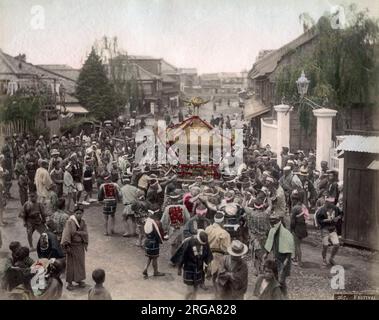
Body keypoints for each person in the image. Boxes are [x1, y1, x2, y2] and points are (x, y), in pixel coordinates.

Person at [171, 230, 213, 300]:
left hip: (199, 268)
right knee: (190, 290)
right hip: (189, 269)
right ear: (197, 238)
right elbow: (182, 255)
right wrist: (179, 267)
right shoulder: (188, 242)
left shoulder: (205, 242)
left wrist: (209, 266)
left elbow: (208, 255)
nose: (202, 244)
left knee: (196, 290)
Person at [263, 212, 295, 297]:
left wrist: (287, 260)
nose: (272, 223)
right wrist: (266, 253)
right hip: (276, 259)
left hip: (284, 259)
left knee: (281, 280)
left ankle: (284, 295)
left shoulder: (286, 234)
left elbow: (289, 249)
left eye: (273, 221)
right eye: (271, 221)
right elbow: (270, 242)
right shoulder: (272, 230)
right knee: (275, 277)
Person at [61, 206, 89, 291]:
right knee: (71, 264)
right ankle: (69, 283)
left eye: (80, 213)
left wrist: (84, 242)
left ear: (83, 214)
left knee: (80, 263)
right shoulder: (69, 222)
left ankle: (79, 279)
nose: (78, 215)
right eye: (77, 213)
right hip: (72, 246)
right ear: (74, 213)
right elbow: (66, 234)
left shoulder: (83, 222)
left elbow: (86, 233)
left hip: (80, 246)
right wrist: (67, 245)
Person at [205, 212, 231, 287]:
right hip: (218, 255)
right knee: (219, 274)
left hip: (207, 254)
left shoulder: (207, 229)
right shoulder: (225, 233)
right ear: (223, 221)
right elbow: (227, 249)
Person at [315, 197, 342, 266]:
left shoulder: (335, 208)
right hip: (324, 229)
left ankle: (331, 258)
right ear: (326, 202)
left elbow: (341, 214)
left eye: (333, 203)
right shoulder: (321, 210)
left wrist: (338, 218)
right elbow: (318, 220)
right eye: (330, 203)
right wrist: (326, 220)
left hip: (332, 229)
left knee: (337, 245)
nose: (332, 204)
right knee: (325, 246)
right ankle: (324, 259)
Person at [143, 211, 165, 278]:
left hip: (147, 241)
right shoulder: (156, 223)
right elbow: (158, 234)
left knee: (150, 256)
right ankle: (155, 271)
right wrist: (161, 241)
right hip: (153, 242)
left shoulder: (147, 221)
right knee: (155, 258)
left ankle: (145, 268)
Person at [290, 191, 308, 267]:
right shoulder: (303, 207)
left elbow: (292, 222)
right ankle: (295, 258)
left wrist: (291, 229)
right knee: (298, 244)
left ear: (294, 200)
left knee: (297, 246)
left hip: (297, 228)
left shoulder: (295, 208)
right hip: (303, 227)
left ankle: (299, 262)